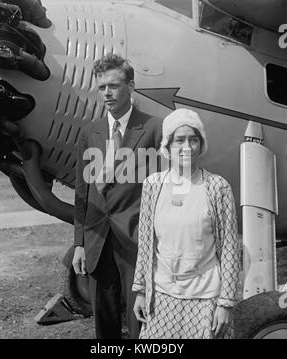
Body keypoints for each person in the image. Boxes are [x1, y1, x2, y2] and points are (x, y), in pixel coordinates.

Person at [72, 53, 162, 339]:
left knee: (142, 322)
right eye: (101, 87)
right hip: (98, 242)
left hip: (137, 241)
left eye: (113, 86)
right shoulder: (90, 133)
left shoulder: (154, 128)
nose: (107, 93)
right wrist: (79, 244)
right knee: (105, 325)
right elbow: (82, 194)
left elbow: (165, 188)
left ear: (131, 86)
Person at [132, 108, 240, 339]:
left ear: (201, 145)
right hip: (161, 299)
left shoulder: (217, 187)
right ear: (167, 147)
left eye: (193, 139)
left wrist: (225, 303)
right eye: (179, 140)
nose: (187, 146)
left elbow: (230, 248)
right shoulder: (153, 185)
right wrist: (141, 291)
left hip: (205, 301)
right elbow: (145, 243)